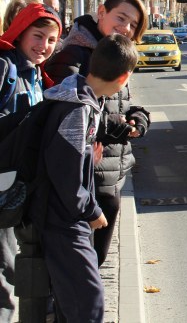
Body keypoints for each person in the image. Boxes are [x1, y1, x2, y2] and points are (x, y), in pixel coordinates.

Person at [31, 33, 138, 323]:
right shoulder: (78, 109)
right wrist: (91, 211)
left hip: (64, 218)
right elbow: (65, 173)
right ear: (123, 78)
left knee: (74, 304)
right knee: (88, 303)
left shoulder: (80, 98)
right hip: (64, 221)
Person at [45, 0, 149, 267]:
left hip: (110, 171)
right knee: (77, 264)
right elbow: (68, 111)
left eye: (133, 25)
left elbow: (121, 104)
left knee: (95, 260)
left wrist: (138, 118)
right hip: (83, 175)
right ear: (101, 12)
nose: (126, 28)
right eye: (121, 18)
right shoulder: (73, 55)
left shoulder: (116, 51)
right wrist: (120, 127)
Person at [0, 3, 61, 323]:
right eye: (38, 36)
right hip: (3, 182)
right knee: (5, 272)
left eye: (51, 40)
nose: (44, 46)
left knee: (13, 269)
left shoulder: (36, 74)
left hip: (16, 185)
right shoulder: (4, 67)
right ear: (21, 33)